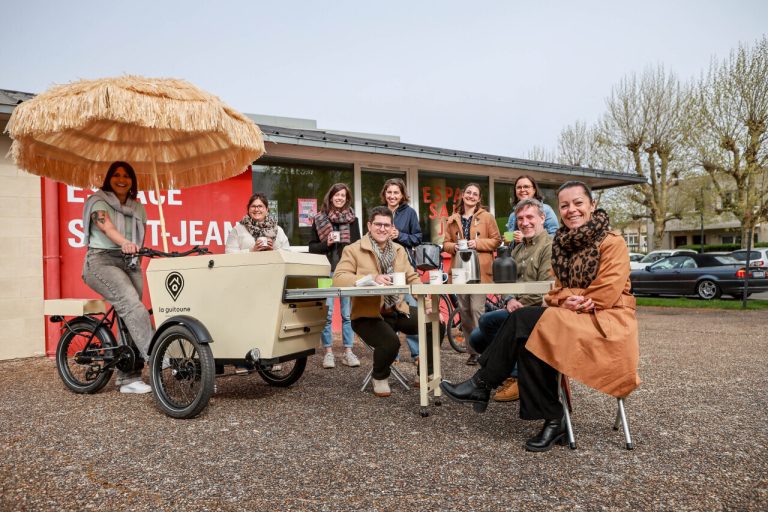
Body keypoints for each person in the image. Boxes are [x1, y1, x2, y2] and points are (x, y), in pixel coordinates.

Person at [441, 181, 640, 452]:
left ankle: (483, 383)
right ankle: (553, 420)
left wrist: (565, 298)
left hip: (606, 322)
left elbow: (604, 294)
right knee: (529, 336)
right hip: (570, 318)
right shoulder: (563, 244)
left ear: (592, 205)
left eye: (578, 203)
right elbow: (554, 292)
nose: (571, 210)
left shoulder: (612, 242)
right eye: (565, 205)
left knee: (524, 321)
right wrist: (563, 299)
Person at [333, 206, 435, 397]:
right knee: (391, 342)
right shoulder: (353, 249)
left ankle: (424, 373)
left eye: (386, 225)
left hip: (397, 309)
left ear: (392, 228)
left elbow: (412, 278)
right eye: (378, 224)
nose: (382, 229)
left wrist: (428, 305)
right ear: (369, 226)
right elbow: (338, 278)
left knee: (434, 323)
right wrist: (371, 277)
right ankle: (379, 376)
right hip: (367, 315)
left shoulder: (398, 250)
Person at [468, 198, 553, 402]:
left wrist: (520, 303)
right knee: (476, 338)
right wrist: (509, 299)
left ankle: (516, 376)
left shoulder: (549, 246)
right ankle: (512, 368)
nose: (524, 222)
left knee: (487, 322)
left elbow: (546, 287)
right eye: (520, 219)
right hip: (516, 307)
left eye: (530, 217)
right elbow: (508, 282)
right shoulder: (517, 248)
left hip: (536, 310)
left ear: (542, 218)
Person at [81, 161, 153, 394]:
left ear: (133, 181)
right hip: (101, 261)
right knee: (133, 307)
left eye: (127, 176)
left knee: (132, 315)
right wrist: (125, 243)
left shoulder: (138, 207)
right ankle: (159, 359)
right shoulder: (98, 202)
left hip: (130, 262)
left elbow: (141, 236)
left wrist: (137, 251)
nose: (122, 179)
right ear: (109, 178)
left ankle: (128, 378)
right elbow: (107, 228)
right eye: (117, 175)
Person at [442, 183, 501, 365]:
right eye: (468, 192)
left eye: (475, 194)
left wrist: (478, 244)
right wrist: (456, 246)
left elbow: (496, 241)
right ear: (462, 195)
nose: (471, 196)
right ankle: (473, 351)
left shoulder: (487, 217)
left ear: (479, 198)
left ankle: (485, 349)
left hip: (480, 270)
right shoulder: (453, 219)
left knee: (477, 309)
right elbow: (445, 244)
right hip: (460, 270)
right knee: (465, 313)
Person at [308, 183, 361, 369]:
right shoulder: (319, 219)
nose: (340, 198)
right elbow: (312, 248)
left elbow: (357, 247)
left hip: (346, 272)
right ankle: (329, 352)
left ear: (347, 199)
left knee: (347, 314)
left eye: (343, 195)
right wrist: (327, 243)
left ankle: (348, 351)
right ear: (330, 197)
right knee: (327, 314)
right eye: (336, 195)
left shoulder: (353, 220)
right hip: (325, 271)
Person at [380, 178, 422, 365]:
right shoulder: (379, 213)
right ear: (385, 194)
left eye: (396, 192)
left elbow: (418, 238)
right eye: (389, 192)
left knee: (410, 309)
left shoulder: (410, 213)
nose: (392, 196)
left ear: (402, 195)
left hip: (404, 268)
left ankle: (417, 354)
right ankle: (393, 353)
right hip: (384, 268)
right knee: (390, 310)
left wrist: (401, 236)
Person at [225, 192, 290, 253]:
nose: (256, 209)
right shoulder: (238, 230)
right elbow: (229, 253)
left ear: (267, 209)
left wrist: (272, 251)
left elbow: (287, 253)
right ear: (248, 209)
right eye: (253, 206)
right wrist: (252, 250)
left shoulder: (278, 230)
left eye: (260, 206)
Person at [505, 175, 559, 244]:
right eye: (518, 187)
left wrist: (526, 238)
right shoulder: (512, 215)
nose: (522, 190)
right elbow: (511, 243)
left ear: (534, 190)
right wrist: (510, 241)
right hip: (518, 254)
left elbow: (554, 236)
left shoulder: (546, 210)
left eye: (526, 186)